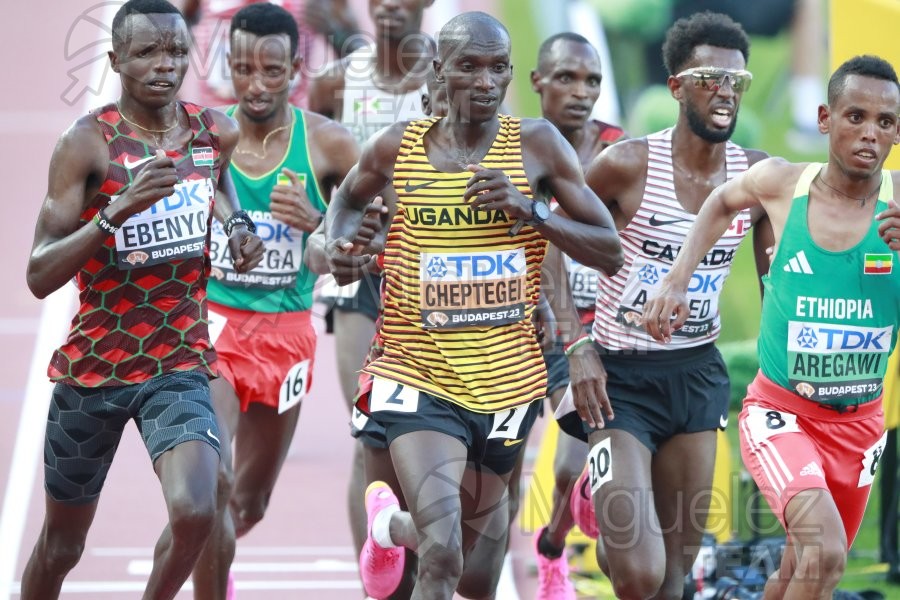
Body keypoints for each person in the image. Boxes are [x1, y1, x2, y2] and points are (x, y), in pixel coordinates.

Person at [323, 11, 623, 600]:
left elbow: (609, 248)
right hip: (417, 374)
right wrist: (340, 247)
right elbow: (347, 201)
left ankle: (388, 527)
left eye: (497, 68)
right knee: (441, 553)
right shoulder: (397, 148)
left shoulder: (536, 146)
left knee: (478, 577)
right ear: (438, 71)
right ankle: (403, 529)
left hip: (507, 382)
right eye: (468, 66)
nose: (485, 81)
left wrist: (530, 210)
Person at [20, 1, 264, 599]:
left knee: (196, 511)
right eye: (148, 52)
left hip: (178, 360)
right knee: (61, 549)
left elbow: (217, 176)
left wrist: (236, 226)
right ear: (116, 60)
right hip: (95, 368)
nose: (166, 65)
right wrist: (114, 212)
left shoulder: (214, 131)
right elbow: (38, 274)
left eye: (178, 52)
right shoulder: (87, 144)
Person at [642, 54, 900, 600]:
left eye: (886, 122)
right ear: (826, 118)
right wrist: (675, 281)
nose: (870, 134)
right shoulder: (782, 184)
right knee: (824, 552)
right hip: (782, 416)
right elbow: (720, 201)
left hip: (860, 426)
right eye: (856, 116)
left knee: (800, 570)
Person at [553, 11, 772, 600]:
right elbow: (546, 237)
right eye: (710, 78)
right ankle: (607, 512)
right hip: (618, 379)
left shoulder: (755, 176)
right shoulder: (626, 164)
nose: (726, 91)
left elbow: (781, 268)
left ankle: (613, 523)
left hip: (695, 375)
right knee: (640, 575)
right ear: (677, 87)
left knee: (676, 577)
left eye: (737, 81)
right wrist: (576, 346)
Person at [189, 4, 360, 598]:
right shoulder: (206, 135)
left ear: (296, 68)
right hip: (212, 328)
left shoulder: (332, 145)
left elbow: (367, 245)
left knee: (248, 503)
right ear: (227, 66)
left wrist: (319, 225)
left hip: (287, 334)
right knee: (211, 482)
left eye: (270, 70)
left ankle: (219, 559)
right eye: (242, 69)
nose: (256, 85)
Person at [308, 0, 435, 560]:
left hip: (433, 275)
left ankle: (424, 547)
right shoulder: (336, 83)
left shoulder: (453, 75)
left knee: (432, 435)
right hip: (359, 273)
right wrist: (319, 232)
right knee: (369, 431)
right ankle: (377, 573)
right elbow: (320, 184)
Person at [527, 31, 626, 600]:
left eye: (592, 80)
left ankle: (551, 545)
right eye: (565, 78)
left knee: (574, 466)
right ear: (538, 81)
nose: (581, 91)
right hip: (546, 328)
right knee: (565, 465)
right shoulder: (520, 149)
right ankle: (548, 548)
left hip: (613, 326)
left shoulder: (619, 150)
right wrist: (566, 332)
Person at [176, 0, 364, 109]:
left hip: (289, 119)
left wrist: (334, 31)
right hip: (217, 117)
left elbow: (360, 53)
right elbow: (182, 21)